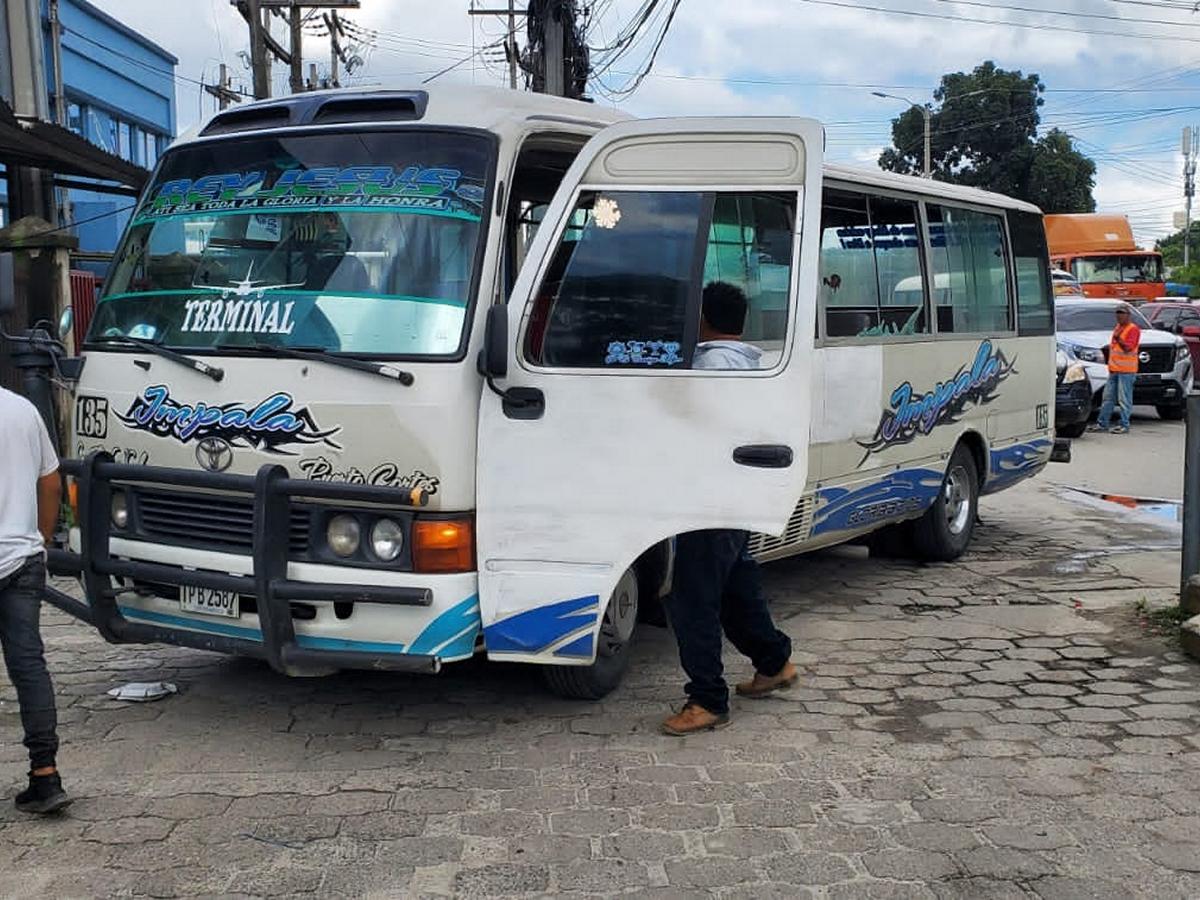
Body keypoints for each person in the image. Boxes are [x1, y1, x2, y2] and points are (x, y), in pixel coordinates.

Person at [660, 282, 797, 736]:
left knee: (691, 600)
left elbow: (696, 426)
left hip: (710, 498)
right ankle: (775, 663)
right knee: (736, 586)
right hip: (737, 495)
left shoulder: (712, 365)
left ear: (701, 319)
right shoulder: (749, 362)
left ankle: (706, 700)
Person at [0, 387, 69, 813]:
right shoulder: (21, 409)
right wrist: (40, 538)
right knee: (29, 667)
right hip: (22, 559)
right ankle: (45, 775)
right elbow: (51, 480)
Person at [1090, 304, 1141, 435]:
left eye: (1122, 313)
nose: (1119, 315)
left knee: (1124, 399)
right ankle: (1102, 423)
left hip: (1126, 370)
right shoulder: (1118, 328)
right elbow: (1115, 348)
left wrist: (1118, 339)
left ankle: (1124, 425)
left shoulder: (1132, 329)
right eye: (1117, 313)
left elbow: (1128, 348)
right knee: (1107, 398)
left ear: (1128, 315)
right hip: (1114, 369)